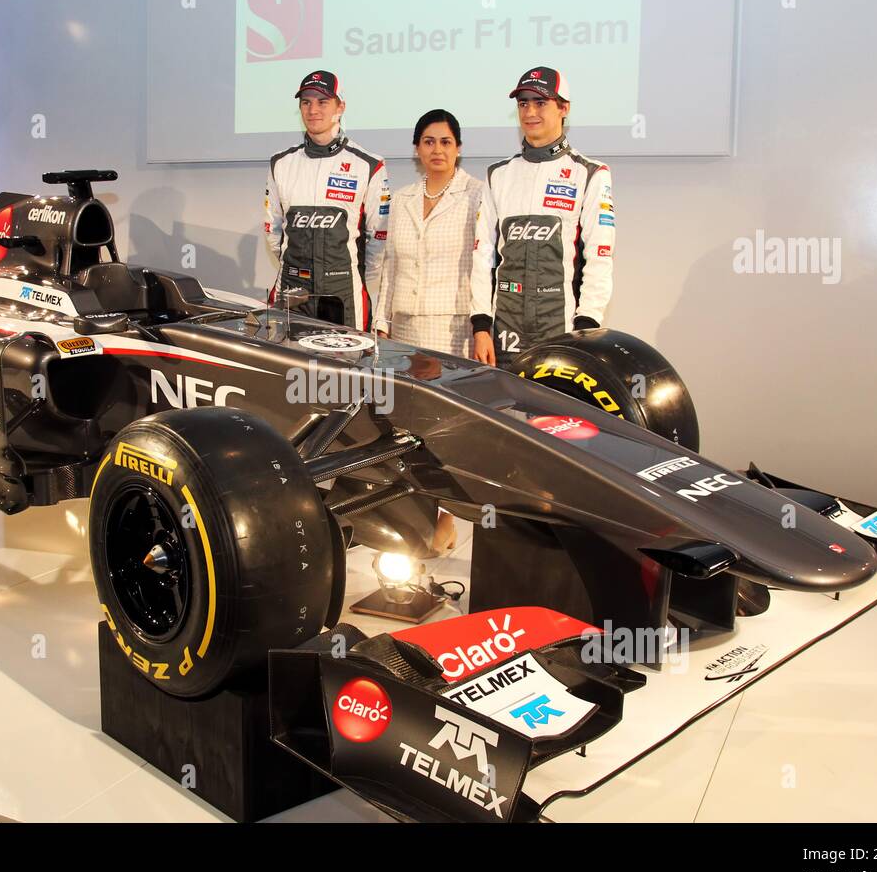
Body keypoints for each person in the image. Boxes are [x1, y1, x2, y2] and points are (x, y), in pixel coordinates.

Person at [374, 108, 485, 553]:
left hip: (451, 327)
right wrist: (380, 322)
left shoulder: (478, 194)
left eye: (445, 142)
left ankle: (444, 516)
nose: (436, 150)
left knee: (443, 431)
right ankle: (412, 514)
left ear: (458, 148)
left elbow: (482, 265)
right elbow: (388, 264)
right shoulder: (400, 198)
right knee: (404, 426)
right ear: (417, 149)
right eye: (428, 142)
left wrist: (481, 325)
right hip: (403, 326)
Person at [470, 66, 615, 368]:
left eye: (540, 102)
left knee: (556, 415)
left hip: (562, 329)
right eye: (523, 103)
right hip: (503, 329)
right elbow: (482, 256)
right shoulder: (498, 174)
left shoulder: (590, 174)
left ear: (564, 108)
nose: (530, 112)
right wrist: (481, 326)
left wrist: (586, 328)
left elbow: (599, 258)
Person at [264, 70, 391, 330]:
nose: (313, 110)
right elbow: (273, 232)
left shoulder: (368, 165)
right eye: (306, 102)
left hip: (342, 292)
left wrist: (350, 275)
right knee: (285, 367)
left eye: (322, 102)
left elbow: (378, 238)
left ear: (340, 107)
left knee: (346, 368)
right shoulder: (280, 163)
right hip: (291, 288)